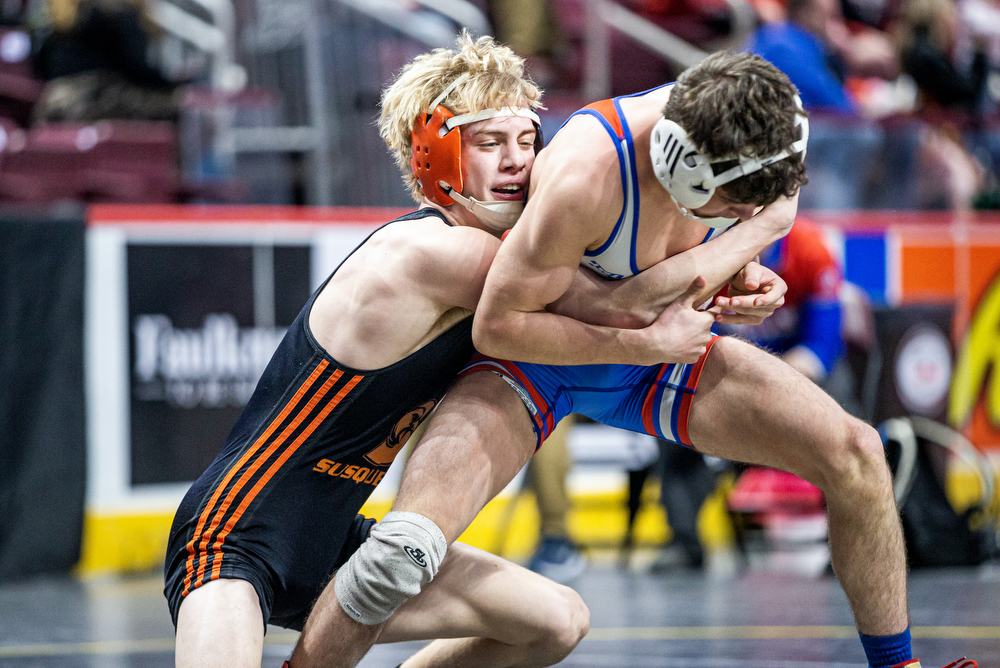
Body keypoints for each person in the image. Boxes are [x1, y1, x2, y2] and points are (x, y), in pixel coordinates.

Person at [300, 51, 975, 668]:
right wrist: (654, 325)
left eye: (757, 207)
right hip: (536, 359)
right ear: (685, 167)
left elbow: (741, 222)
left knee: (857, 454)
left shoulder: (761, 142)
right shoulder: (586, 174)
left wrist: (747, 268)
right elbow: (502, 324)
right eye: (737, 208)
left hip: (662, 355)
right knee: (403, 551)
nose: (754, 214)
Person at [164, 34, 616, 668]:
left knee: (557, 620)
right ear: (433, 156)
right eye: (489, 143)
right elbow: (608, 297)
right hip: (233, 539)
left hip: (337, 544)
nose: (518, 162)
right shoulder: (433, 253)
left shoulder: (500, 258)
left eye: (525, 141)